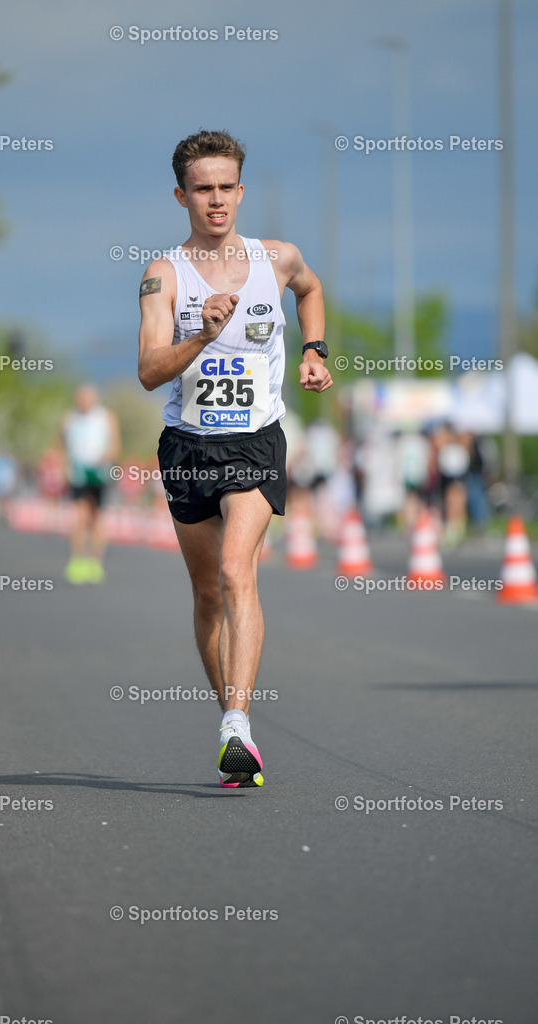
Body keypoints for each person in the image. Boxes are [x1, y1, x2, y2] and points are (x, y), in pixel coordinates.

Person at [137, 130, 332, 787]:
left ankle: (237, 723)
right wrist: (201, 332)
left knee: (232, 568)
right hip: (189, 444)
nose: (215, 200)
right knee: (204, 592)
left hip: (256, 438)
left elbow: (310, 291)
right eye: (202, 189)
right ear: (180, 195)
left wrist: (314, 351)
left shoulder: (277, 259)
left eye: (225, 187)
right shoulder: (162, 273)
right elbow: (146, 370)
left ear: (240, 191)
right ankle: (228, 714)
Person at [61, 385, 120, 584]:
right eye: (80, 398)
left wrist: (104, 457)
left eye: (87, 398)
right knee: (79, 516)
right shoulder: (69, 418)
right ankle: (78, 560)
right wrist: (64, 467)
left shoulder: (105, 417)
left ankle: (96, 562)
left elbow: (115, 445)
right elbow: (62, 445)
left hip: (99, 472)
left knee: (96, 518)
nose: (83, 402)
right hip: (78, 472)